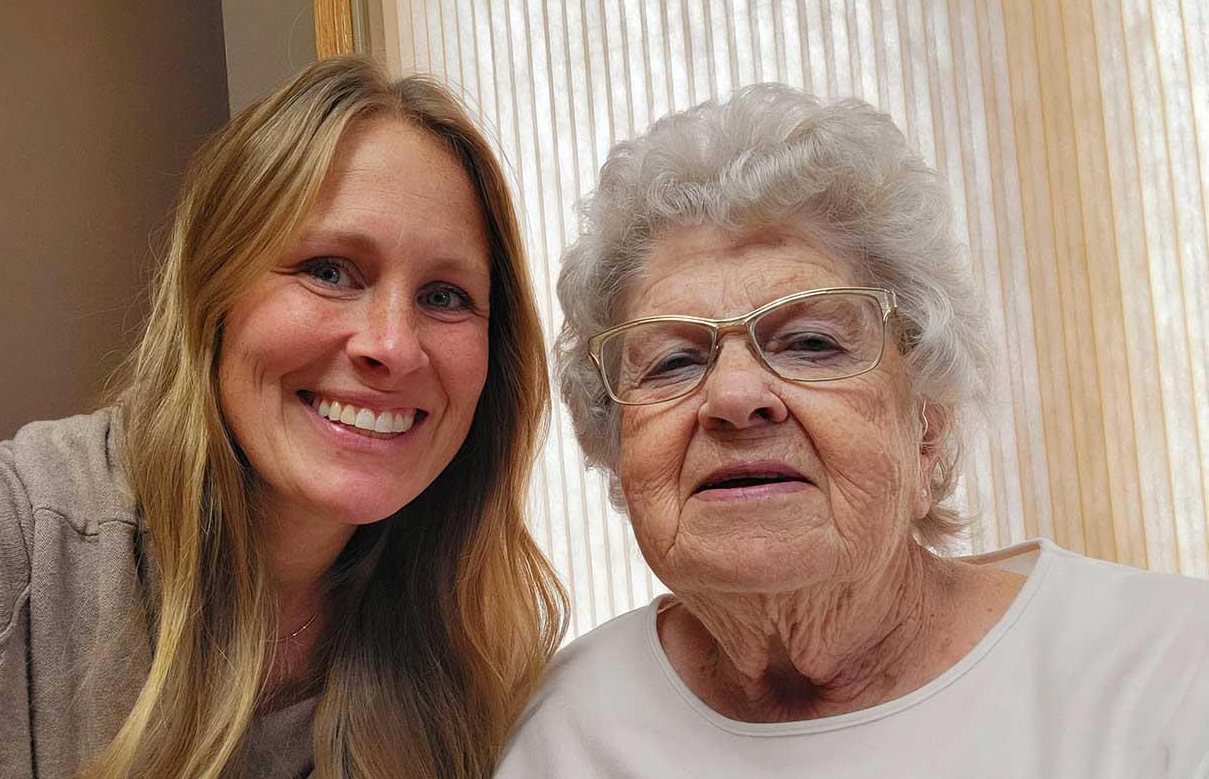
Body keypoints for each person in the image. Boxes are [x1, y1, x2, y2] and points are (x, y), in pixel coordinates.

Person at [0, 55, 565, 779]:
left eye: (444, 296)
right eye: (328, 270)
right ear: (210, 293)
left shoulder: (479, 665)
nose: (391, 344)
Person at [496, 83, 1209, 778]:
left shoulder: (1170, 673)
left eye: (810, 343)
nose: (736, 398)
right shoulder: (563, 731)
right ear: (619, 450)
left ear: (927, 429)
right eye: (676, 360)